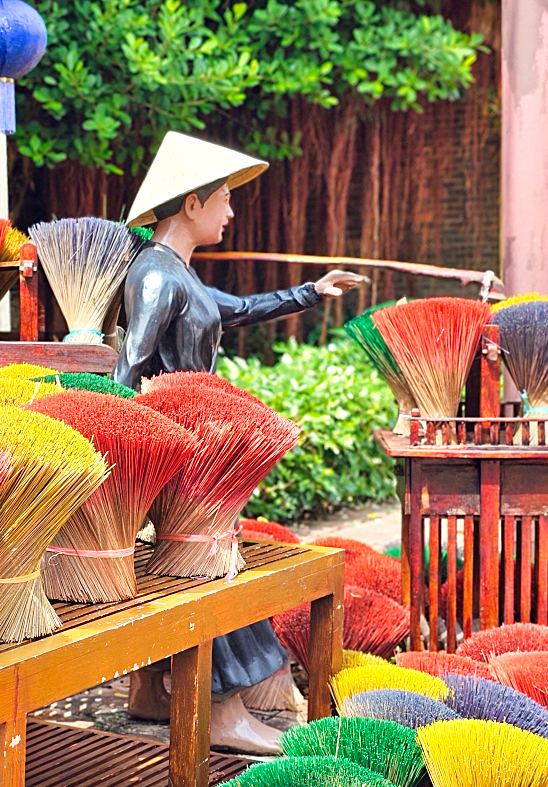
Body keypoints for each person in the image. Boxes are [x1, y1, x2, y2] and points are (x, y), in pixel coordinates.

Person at [114, 131, 366, 755]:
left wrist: (312, 292)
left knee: (188, 565)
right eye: (224, 199)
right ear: (191, 202)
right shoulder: (152, 275)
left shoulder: (176, 272)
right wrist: (139, 452)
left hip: (192, 450)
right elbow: (127, 371)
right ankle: (223, 712)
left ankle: (150, 693)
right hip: (178, 453)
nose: (230, 212)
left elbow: (239, 307)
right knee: (208, 567)